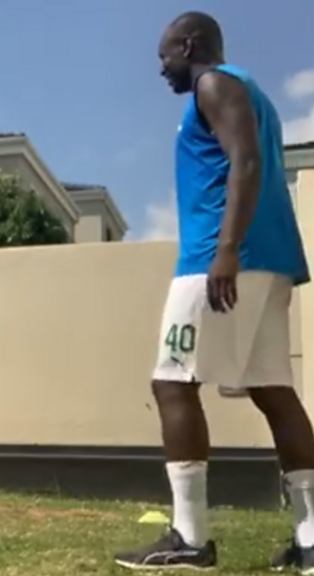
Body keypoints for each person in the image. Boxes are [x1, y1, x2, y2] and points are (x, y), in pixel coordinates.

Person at [114, 11, 314, 572]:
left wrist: (226, 249)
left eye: (164, 56)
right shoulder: (253, 92)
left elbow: (245, 162)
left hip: (220, 258)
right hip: (271, 260)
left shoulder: (213, 84)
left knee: (172, 382)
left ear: (189, 46)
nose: (162, 69)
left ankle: (190, 538)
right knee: (274, 390)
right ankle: (311, 537)